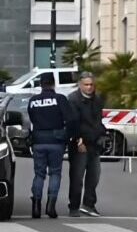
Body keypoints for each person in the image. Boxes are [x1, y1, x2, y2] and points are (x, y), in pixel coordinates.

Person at [25, 74, 69, 219]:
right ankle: (51, 206)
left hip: (38, 139)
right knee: (55, 173)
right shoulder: (60, 99)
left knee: (39, 174)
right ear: (53, 84)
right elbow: (69, 118)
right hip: (56, 140)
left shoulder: (33, 101)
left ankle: (36, 206)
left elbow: (31, 118)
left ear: (41, 84)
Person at [63, 74, 107, 217]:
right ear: (80, 85)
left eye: (91, 85)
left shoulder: (97, 99)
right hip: (80, 143)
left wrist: (101, 135)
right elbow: (73, 122)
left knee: (94, 176)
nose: (89, 87)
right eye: (86, 84)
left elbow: (98, 120)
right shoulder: (73, 99)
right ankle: (74, 206)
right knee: (77, 177)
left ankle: (89, 204)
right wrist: (78, 140)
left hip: (94, 143)